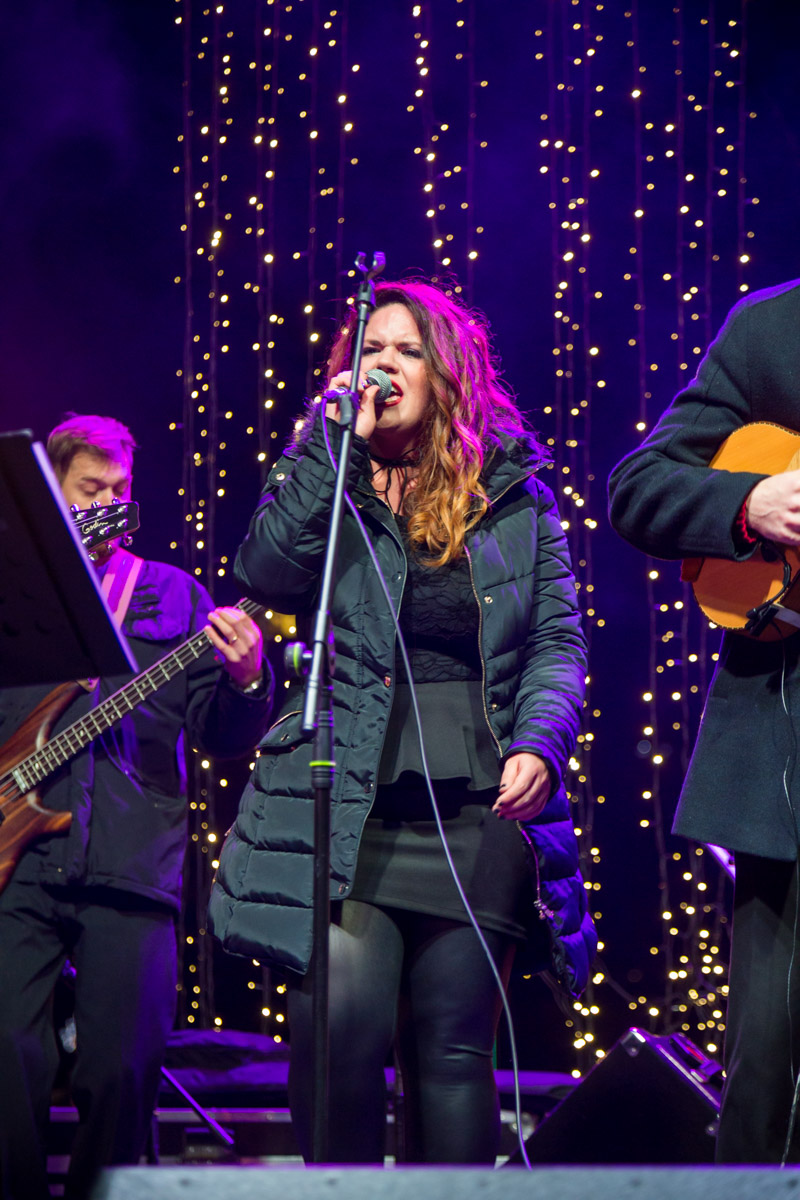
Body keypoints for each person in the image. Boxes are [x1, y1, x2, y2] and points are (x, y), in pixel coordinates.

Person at [209, 280, 596, 1164]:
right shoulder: (324, 474)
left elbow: (557, 642)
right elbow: (265, 571)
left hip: (479, 805)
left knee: (454, 1060)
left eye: (406, 350)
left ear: (447, 373)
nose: (382, 366)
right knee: (337, 1046)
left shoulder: (515, 494)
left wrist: (542, 740)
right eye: (368, 350)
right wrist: (326, 446)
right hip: (350, 796)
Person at [0, 414, 274, 1199]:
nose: (109, 504)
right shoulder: (14, 589)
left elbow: (221, 735)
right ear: (52, 495)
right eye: (91, 490)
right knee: (6, 1063)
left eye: (120, 490)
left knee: (122, 1073)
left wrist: (248, 680)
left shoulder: (174, 594)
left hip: (132, 861)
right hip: (18, 863)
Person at [608, 277, 800, 1164]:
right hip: (788, 757)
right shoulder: (771, 328)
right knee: (770, 1067)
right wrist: (748, 504)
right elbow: (640, 487)